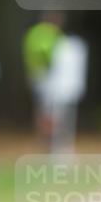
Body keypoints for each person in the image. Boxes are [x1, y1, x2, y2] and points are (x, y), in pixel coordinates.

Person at [22, 11, 65, 149]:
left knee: (41, 108)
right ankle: (49, 139)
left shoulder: (33, 32)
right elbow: (49, 53)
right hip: (47, 77)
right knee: (49, 109)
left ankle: (45, 137)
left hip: (35, 75)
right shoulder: (51, 34)